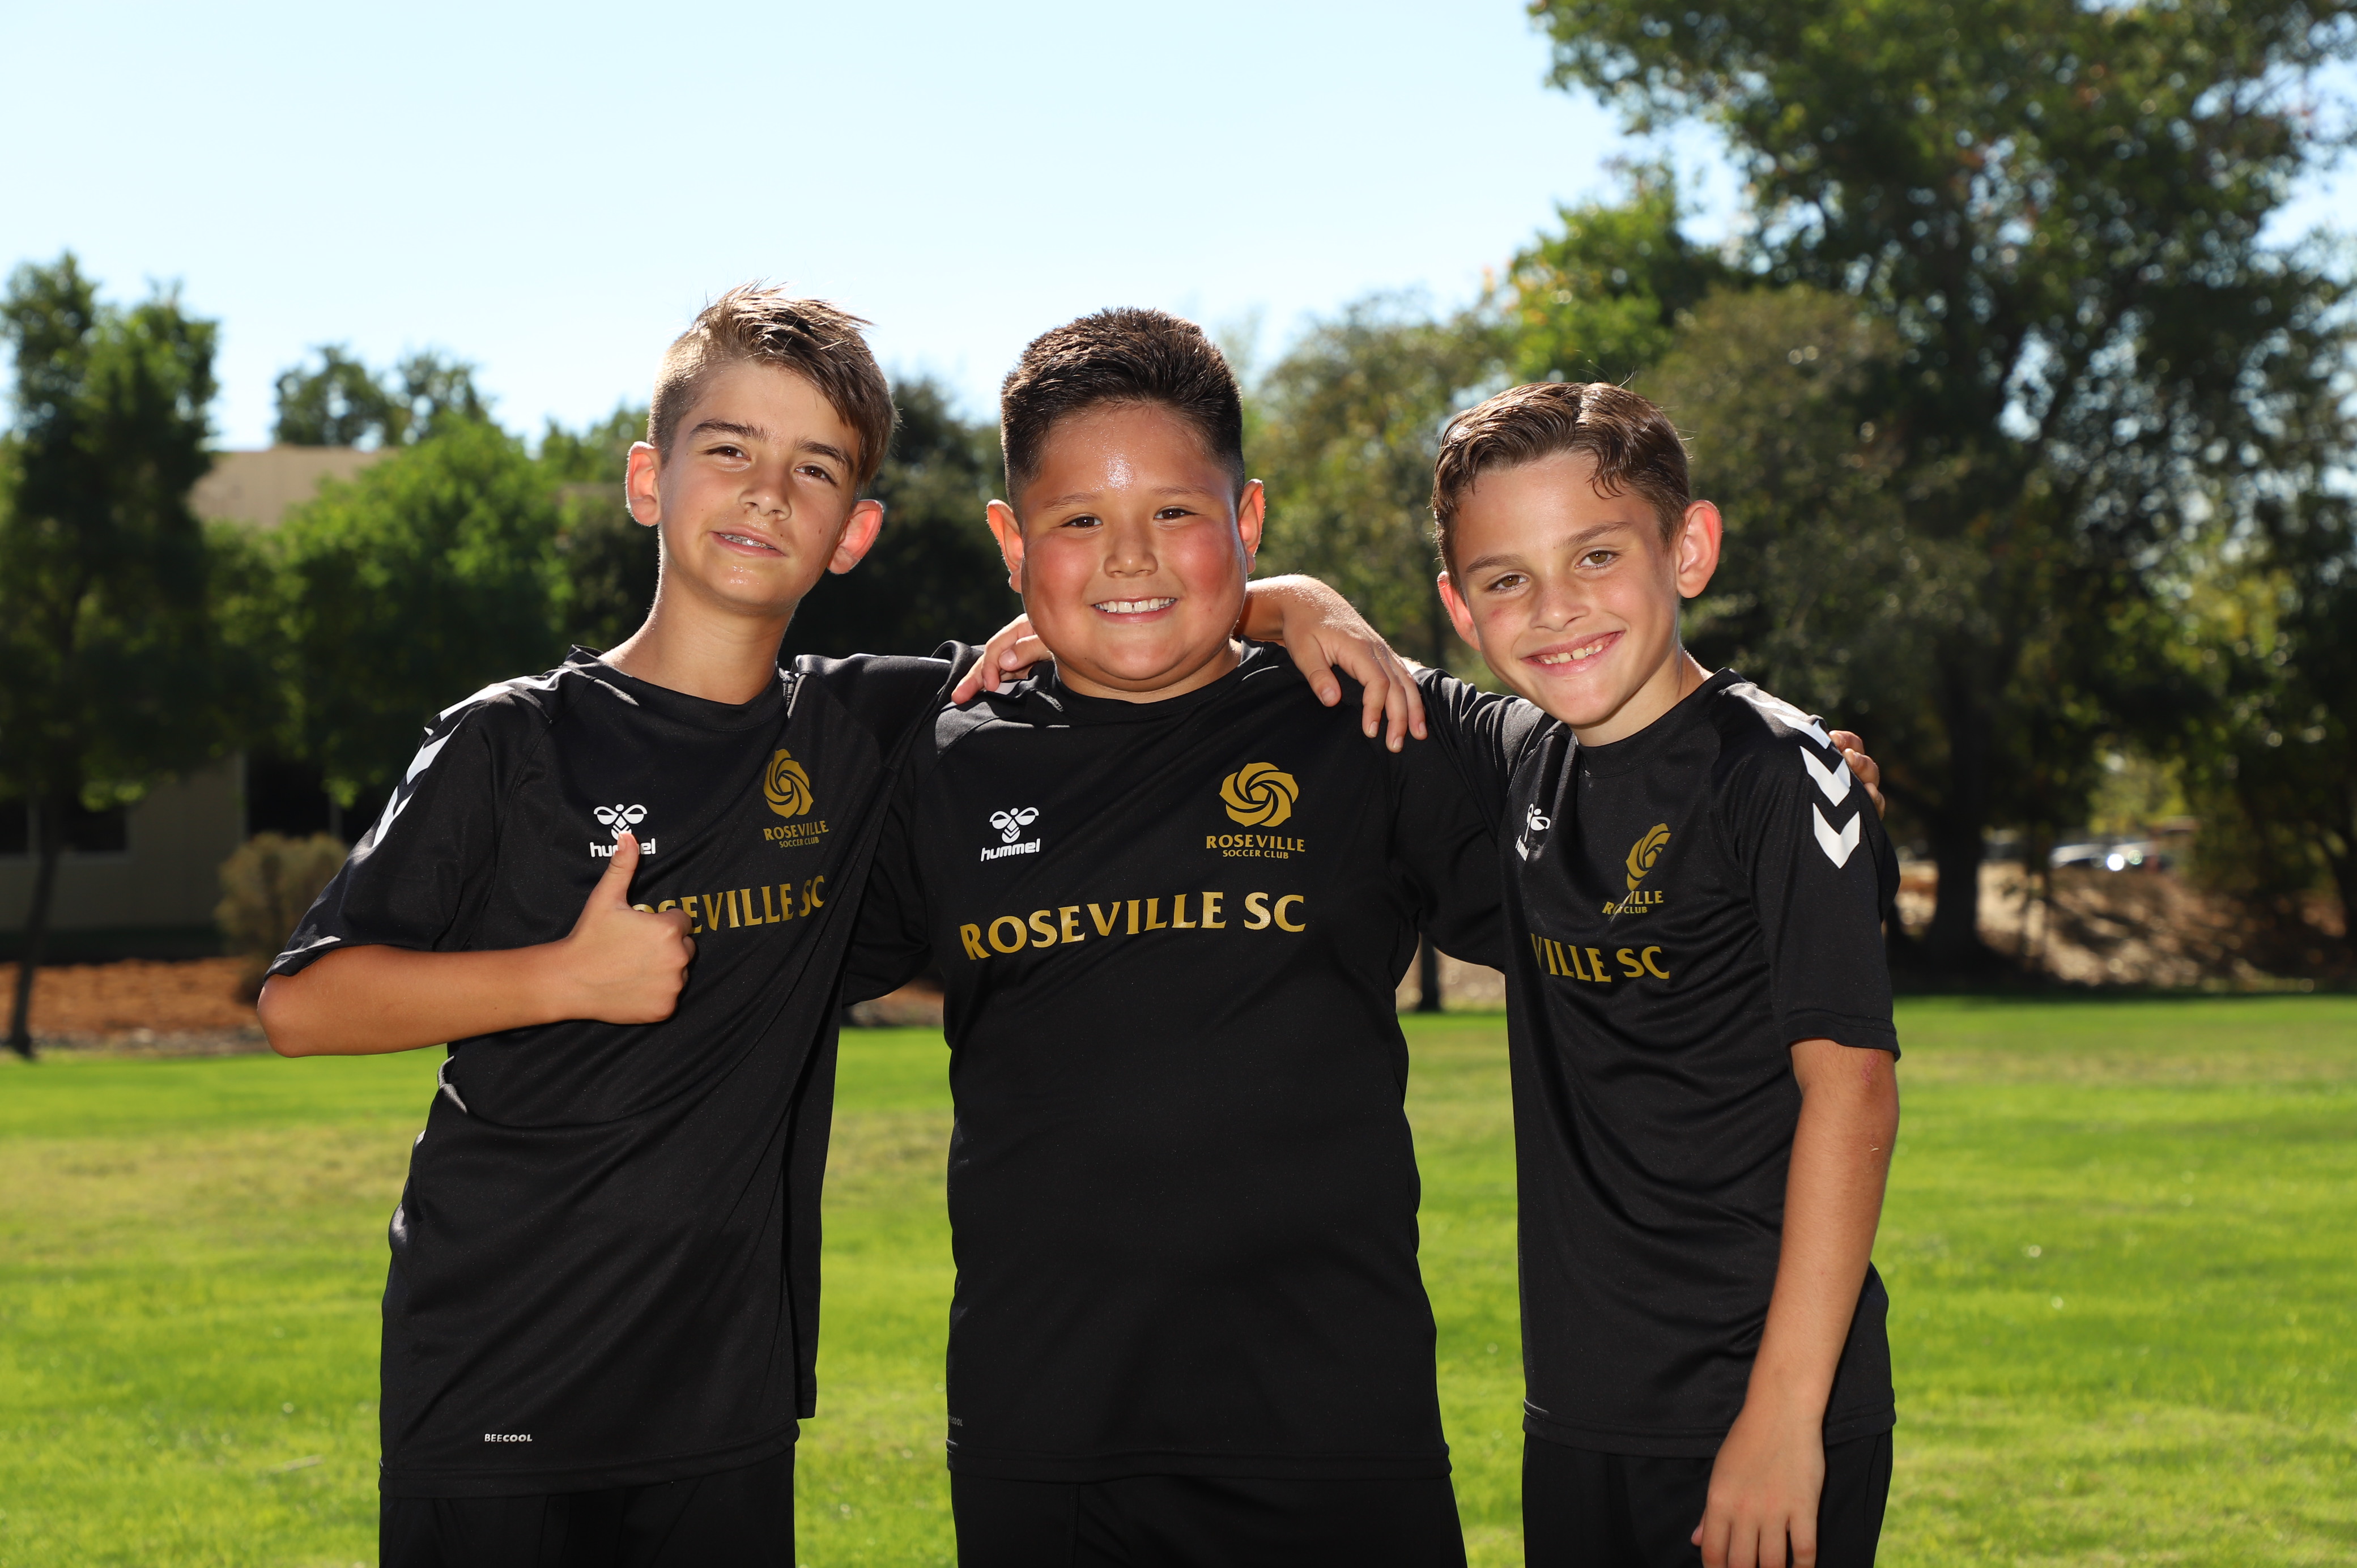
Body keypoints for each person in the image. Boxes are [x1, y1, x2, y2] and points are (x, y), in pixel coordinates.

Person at [255, 286, 1416, 1568]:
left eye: (814, 469)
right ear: (647, 480)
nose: (767, 494)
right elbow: (303, 1003)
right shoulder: (512, 738)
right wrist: (564, 977)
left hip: (726, 1395)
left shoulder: (874, 728)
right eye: (729, 450)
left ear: (854, 532)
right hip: (499, 1366)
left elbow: (1114, 606)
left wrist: (1286, 599)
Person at [846, 308, 1503, 1566]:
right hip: (1049, 1446)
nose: (1128, 559)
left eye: (1175, 513)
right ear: (1012, 543)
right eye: (1077, 522)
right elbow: (756, 946)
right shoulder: (945, 757)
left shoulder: (1361, 719)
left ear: (1248, 521)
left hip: (1335, 1436)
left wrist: (1776, 771)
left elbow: (1612, 808)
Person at [1407, 381, 1903, 1568]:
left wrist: (1782, 1418)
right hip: (1582, 1412)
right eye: (1505, 579)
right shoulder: (1521, 762)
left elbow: (1854, 1093)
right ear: (1461, 608)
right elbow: (1344, 656)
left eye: (1595, 555)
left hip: (1762, 1405)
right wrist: (1274, 599)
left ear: (1688, 549)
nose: (1555, 609)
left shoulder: (1777, 772)